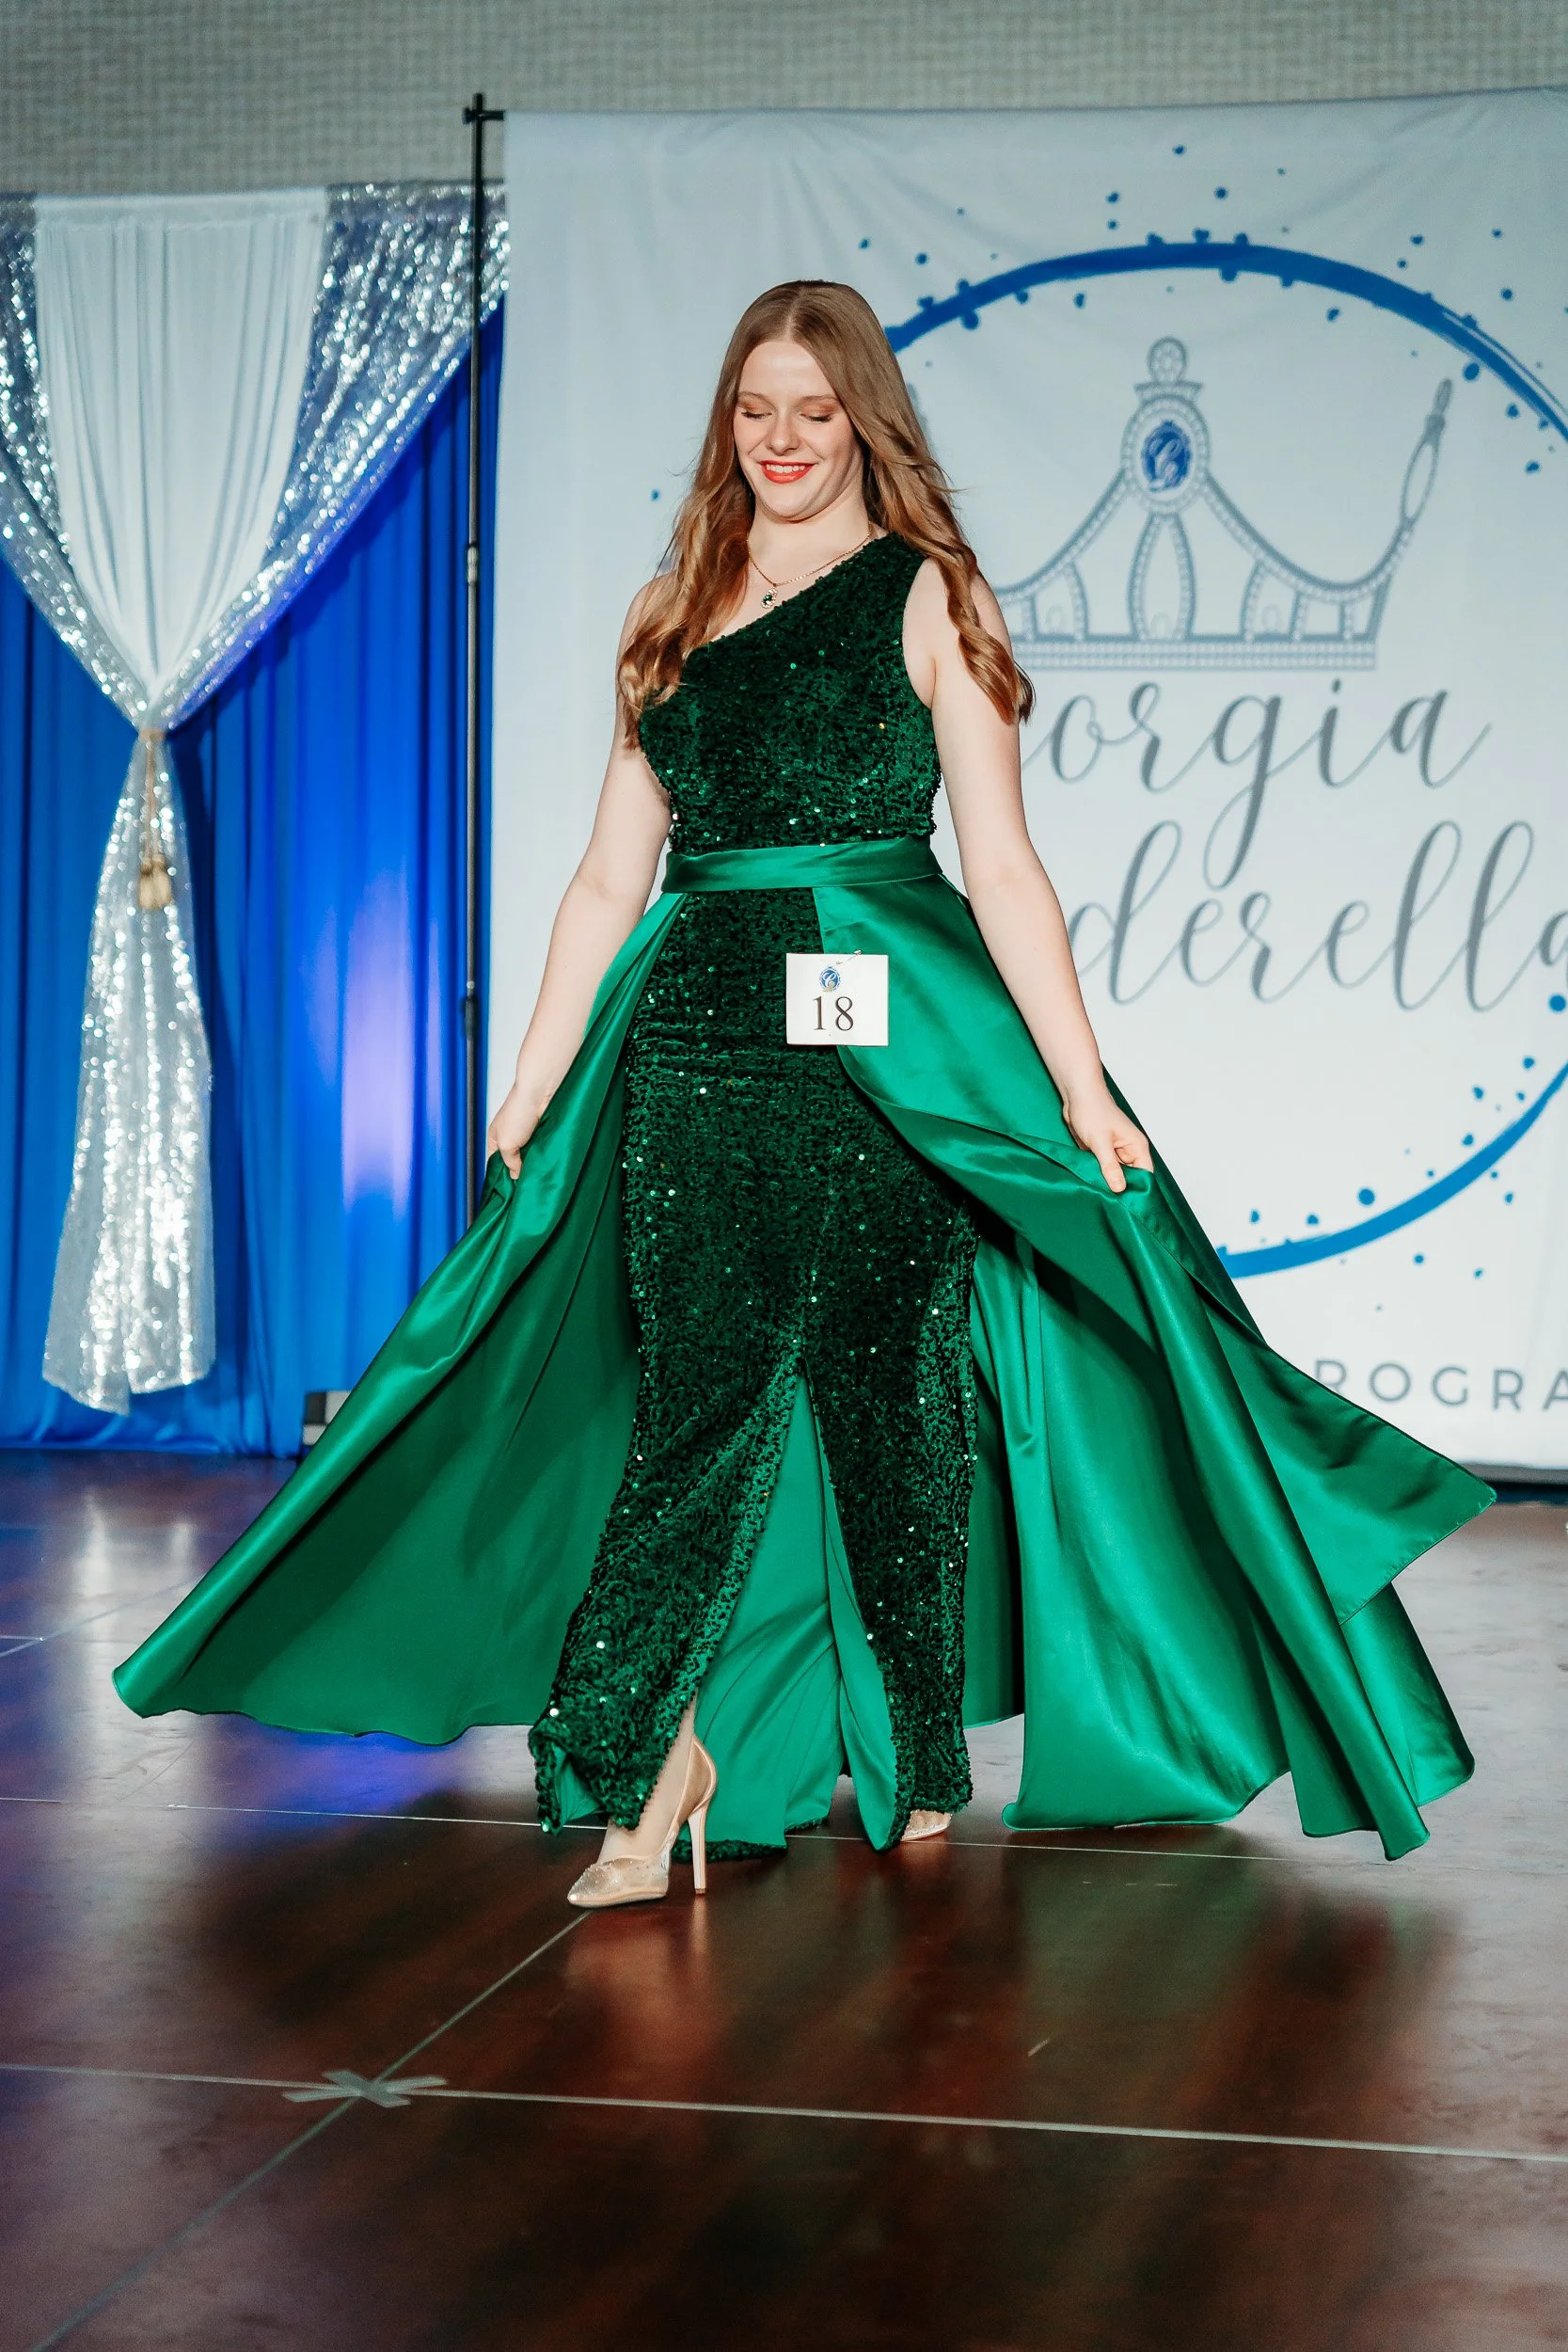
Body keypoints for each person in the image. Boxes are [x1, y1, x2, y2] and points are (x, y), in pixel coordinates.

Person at [116, 281, 1488, 1909]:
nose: (779, 439)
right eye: (754, 409)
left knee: (886, 1395)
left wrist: (1079, 1087)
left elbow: (1004, 870)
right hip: (693, 1044)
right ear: (727, 424)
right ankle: (652, 1763)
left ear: (862, 424)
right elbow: (604, 876)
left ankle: (909, 1757)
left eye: (813, 411)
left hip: (879, 1060)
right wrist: (537, 1072)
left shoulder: (926, 595)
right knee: (696, 1395)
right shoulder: (670, 606)